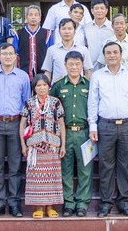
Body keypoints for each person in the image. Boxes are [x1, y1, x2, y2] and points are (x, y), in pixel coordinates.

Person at [88, 42, 128, 217]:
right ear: (104, 56)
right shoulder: (97, 76)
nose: (112, 55)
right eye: (108, 53)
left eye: (115, 52)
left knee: (125, 165)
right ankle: (106, 202)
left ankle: (125, 202)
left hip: (127, 125)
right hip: (105, 125)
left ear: (121, 54)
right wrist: (93, 125)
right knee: (105, 165)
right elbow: (93, 102)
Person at [0, 43, 31, 218]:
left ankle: (14, 203)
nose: (8, 57)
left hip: (16, 123)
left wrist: (25, 128)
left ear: (16, 56)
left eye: (11, 54)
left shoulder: (23, 76)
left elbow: (27, 103)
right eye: (4, 54)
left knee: (15, 165)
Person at [50, 51, 92, 217]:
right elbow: (50, 108)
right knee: (65, 170)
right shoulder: (59, 85)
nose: (74, 67)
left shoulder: (89, 84)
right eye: (71, 64)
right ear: (65, 65)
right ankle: (68, 203)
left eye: (77, 64)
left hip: (85, 133)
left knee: (85, 170)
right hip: (64, 134)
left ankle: (82, 203)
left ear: (82, 66)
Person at [20, 73, 66, 219]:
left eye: (44, 85)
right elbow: (22, 124)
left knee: (52, 177)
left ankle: (51, 207)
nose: (41, 88)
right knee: (36, 178)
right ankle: (38, 207)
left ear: (49, 87)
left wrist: (63, 145)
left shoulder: (55, 102)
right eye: (38, 85)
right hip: (35, 148)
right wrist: (23, 145)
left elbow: (61, 124)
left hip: (53, 146)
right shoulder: (29, 103)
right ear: (34, 88)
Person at [98, 14, 128, 79]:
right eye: (116, 24)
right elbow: (102, 63)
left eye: (121, 23)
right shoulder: (107, 43)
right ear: (112, 26)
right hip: (111, 79)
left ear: (126, 25)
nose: (119, 26)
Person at [13, 5, 53, 82]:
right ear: (26, 17)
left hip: (42, 73)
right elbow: (15, 54)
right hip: (22, 72)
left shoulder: (47, 34)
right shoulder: (18, 34)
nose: (33, 17)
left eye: (36, 15)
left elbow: (50, 54)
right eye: (30, 15)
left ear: (40, 18)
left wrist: (48, 74)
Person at [82, 0, 113, 70]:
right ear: (92, 11)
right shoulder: (86, 28)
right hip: (91, 67)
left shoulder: (112, 27)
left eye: (102, 8)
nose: (99, 11)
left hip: (109, 66)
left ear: (106, 10)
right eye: (96, 8)